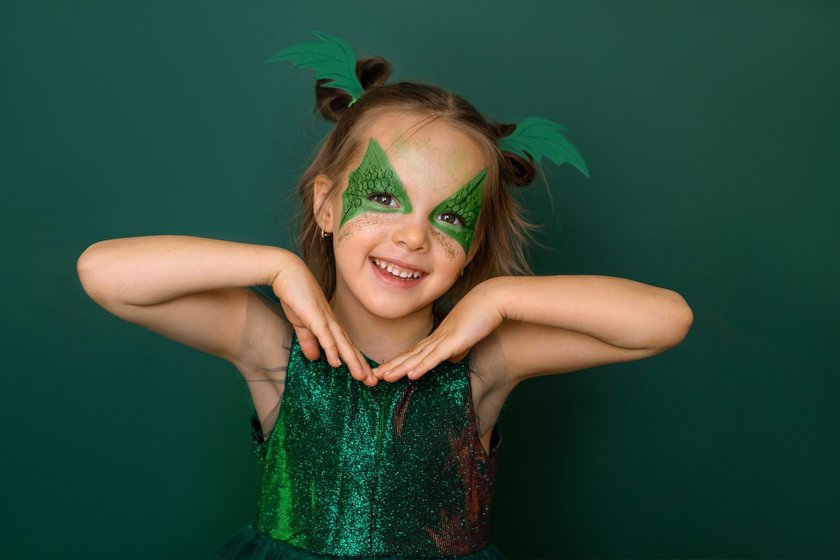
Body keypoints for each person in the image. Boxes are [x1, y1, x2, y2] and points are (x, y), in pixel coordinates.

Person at [76, 33, 693, 560]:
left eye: (450, 217)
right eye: (382, 197)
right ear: (325, 203)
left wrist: (499, 298)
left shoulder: (483, 367)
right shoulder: (275, 350)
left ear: (474, 246)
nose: (412, 236)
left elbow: (664, 320)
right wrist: (276, 267)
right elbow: (103, 272)